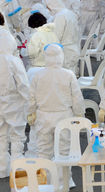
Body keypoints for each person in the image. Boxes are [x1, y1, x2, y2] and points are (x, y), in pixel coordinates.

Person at [27, 43, 84, 187]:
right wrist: (79, 114)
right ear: (61, 56)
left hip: (44, 116)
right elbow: (76, 97)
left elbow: (31, 96)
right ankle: (63, 183)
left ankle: (44, 184)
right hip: (64, 117)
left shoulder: (38, 75)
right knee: (63, 151)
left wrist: (31, 111)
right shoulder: (68, 74)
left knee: (43, 151)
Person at [0, 33, 29, 179]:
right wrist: (30, 102)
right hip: (13, 101)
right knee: (17, 135)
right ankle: (17, 169)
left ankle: (1, 169)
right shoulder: (14, 61)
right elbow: (23, 84)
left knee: (1, 135)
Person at [45, 0, 81, 74]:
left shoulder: (60, 16)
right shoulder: (70, 13)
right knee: (71, 76)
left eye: (49, 7)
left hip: (65, 51)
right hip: (73, 49)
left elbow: (56, 36)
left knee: (65, 78)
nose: (49, 10)